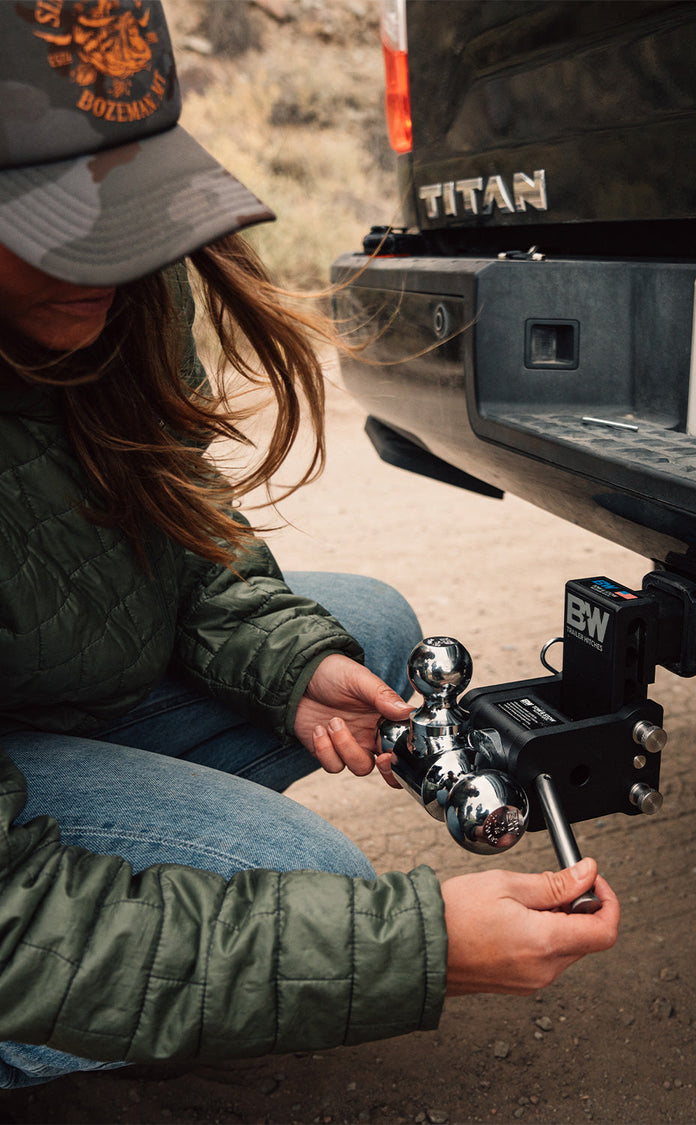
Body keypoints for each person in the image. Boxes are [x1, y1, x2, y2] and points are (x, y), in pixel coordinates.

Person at [0, 0, 620, 1090]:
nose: (106, 256)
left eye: (126, 191)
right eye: (51, 215)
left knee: (364, 632)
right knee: (301, 879)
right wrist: (414, 954)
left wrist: (284, 661)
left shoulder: (119, 286)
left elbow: (177, 512)